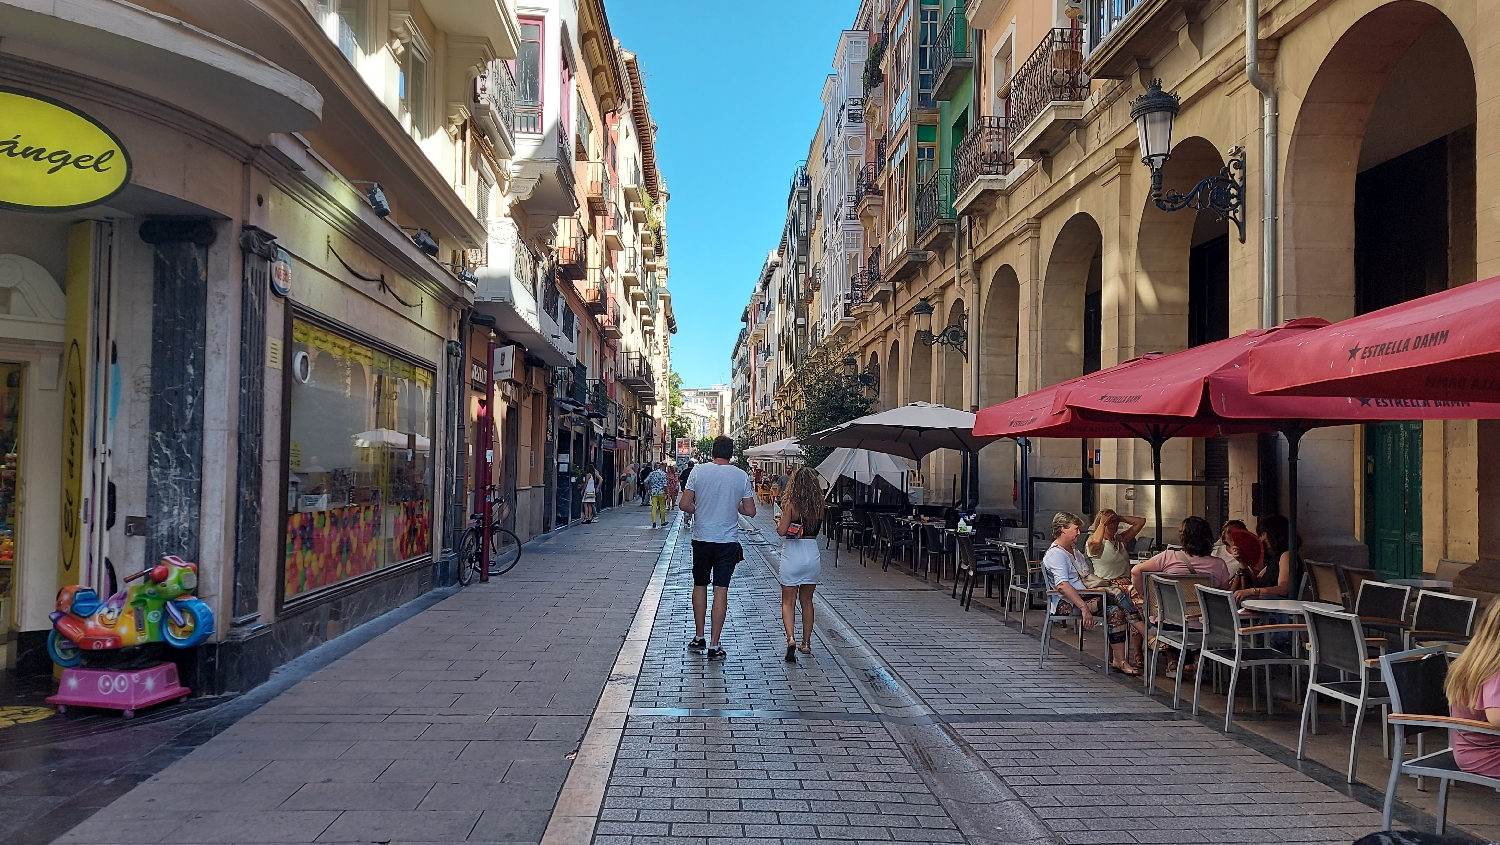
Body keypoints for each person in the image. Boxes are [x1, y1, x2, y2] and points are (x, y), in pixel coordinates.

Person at [678, 436, 756, 661]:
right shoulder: (741, 476)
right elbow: (750, 511)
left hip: (702, 538)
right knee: (721, 590)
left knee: (699, 585)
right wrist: (733, 505)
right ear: (731, 453)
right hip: (727, 541)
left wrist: (700, 510)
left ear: (712, 452)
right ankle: (714, 645)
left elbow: (684, 504)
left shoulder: (698, 472)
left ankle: (698, 636)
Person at [1130, 516, 1233, 677]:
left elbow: (1136, 571)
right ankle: (1200, 660)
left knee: (1164, 615)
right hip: (1204, 626)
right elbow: (1224, 596)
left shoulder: (1168, 557)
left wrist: (1143, 593)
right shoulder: (1219, 564)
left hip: (1169, 624)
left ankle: (1173, 662)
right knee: (1199, 621)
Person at [1043, 512, 1140, 676]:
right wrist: (1084, 608)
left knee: (1115, 611)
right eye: (1076, 529)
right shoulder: (1056, 554)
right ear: (1062, 529)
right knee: (1116, 592)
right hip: (1068, 603)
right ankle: (1147, 633)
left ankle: (1120, 660)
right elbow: (1062, 586)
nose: (1079, 533)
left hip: (1086, 596)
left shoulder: (1073, 550)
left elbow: (1085, 577)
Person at [1445, 598, 1500, 778]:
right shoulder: (1495, 668)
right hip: (1486, 754)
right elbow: (1496, 718)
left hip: (1471, 748)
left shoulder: (1480, 657)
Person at [776, 466, 824, 663]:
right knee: (807, 602)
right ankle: (806, 643)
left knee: (788, 601)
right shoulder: (819, 504)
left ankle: (790, 639)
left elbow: (781, 531)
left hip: (793, 554)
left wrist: (778, 522)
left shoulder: (791, 504)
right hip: (812, 552)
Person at [1233, 513, 1293, 603]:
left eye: (1264, 533)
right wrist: (1242, 562)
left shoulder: (1286, 556)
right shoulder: (1274, 558)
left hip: (1276, 608)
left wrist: (1252, 592)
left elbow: (1283, 589)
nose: (1263, 538)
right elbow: (1257, 580)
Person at [1085, 509, 1146, 580]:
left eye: (1115, 522)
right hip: (1107, 585)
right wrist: (1102, 523)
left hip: (1125, 583)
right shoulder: (1093, 541)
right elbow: (1096, 542)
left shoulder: (1120, 540)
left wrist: (1119, 518)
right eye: (1110, 522)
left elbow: (1141, 522)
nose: (1114, 524)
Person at [645, 462, 669, 528]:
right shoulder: (663, 474)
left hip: (654, 492)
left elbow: (645, 481)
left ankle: (654, 522)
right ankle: (662, 522)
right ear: (662, 467)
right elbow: (665, 485)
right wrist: (666, 493)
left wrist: (647, 490)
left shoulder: (652, 473)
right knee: (662, 507)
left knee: (654, 507)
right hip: (661, 492)